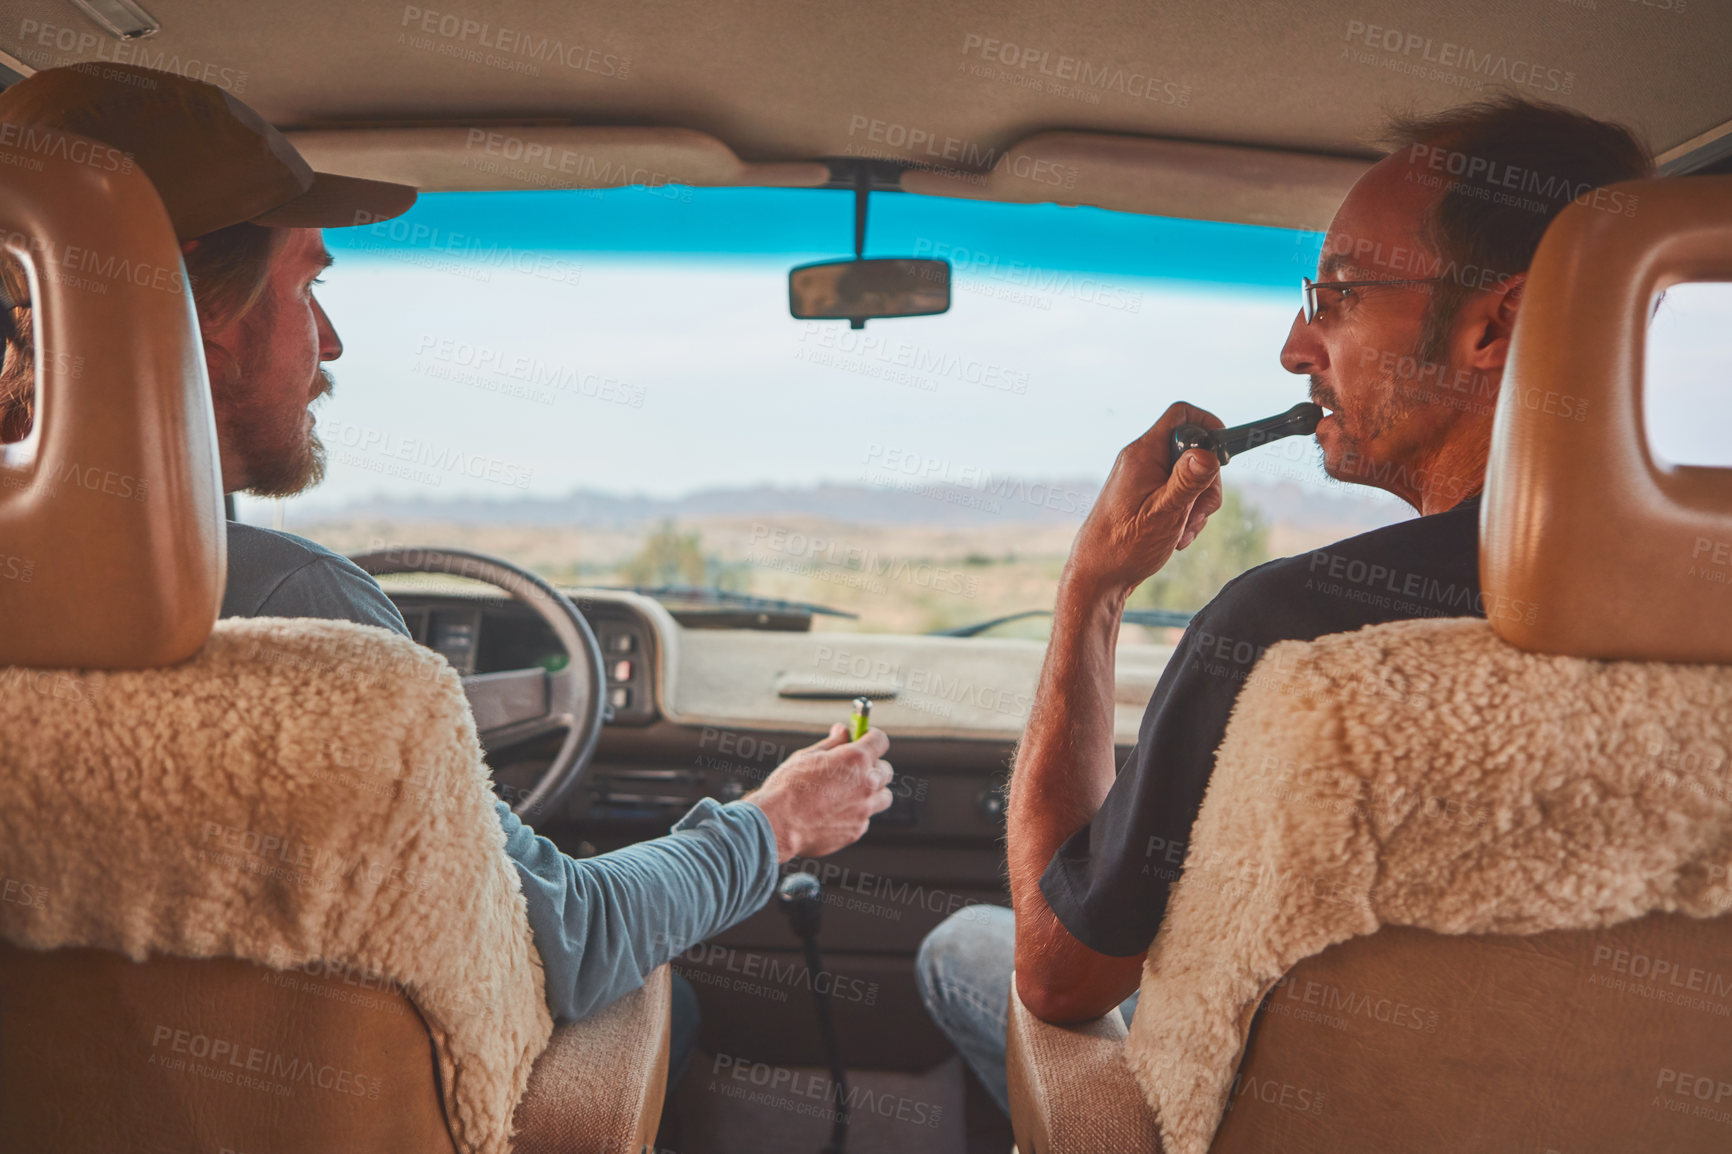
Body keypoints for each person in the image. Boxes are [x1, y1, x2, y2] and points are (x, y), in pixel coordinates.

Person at [0, 62, 895, 1086]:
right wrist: (776, 820)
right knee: (666, 1000)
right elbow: (572, 937)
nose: (330, 342)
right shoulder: (304, 616)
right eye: (310, 285)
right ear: (200, 300)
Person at [915, 94, 1655, 1115]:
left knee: (966, 944)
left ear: (1495, 323)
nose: (1295, 347)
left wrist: (1090, 592)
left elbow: (1059, 973)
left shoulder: (1288, 631)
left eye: (1338, 294)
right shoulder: (1694, 613)